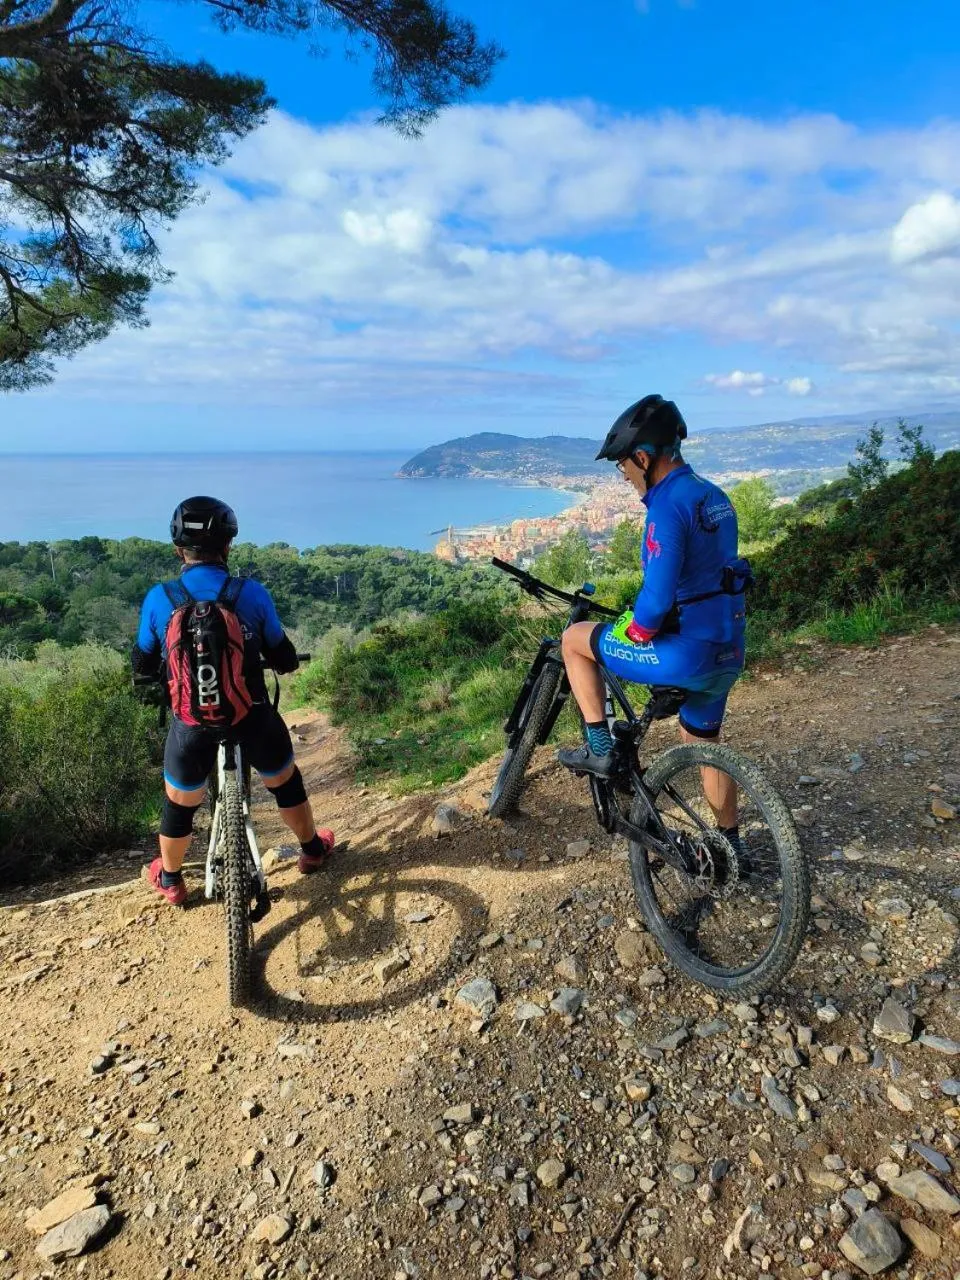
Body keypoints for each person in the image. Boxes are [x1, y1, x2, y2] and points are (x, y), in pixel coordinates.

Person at [557, 395, 749, 850]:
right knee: (706, 745)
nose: (624, 477)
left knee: (574, 639)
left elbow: (656, 602)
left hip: (686, 655)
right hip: (728, 652)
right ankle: (732, 844)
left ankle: (601, 751)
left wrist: (634, 629)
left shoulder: (666, 508)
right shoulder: (714, 496)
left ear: (643, 457)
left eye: (624, 467)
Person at [132, 496, 335, 906]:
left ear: (178, 550)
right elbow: (281, 653)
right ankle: (312, 850)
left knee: (179, 802)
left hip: (192, 723)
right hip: (252, 716)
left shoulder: (160, 598)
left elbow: (142, 659)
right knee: (285, 782)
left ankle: (171, 879)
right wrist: (284, 661)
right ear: (227, 546)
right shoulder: (252, 594)